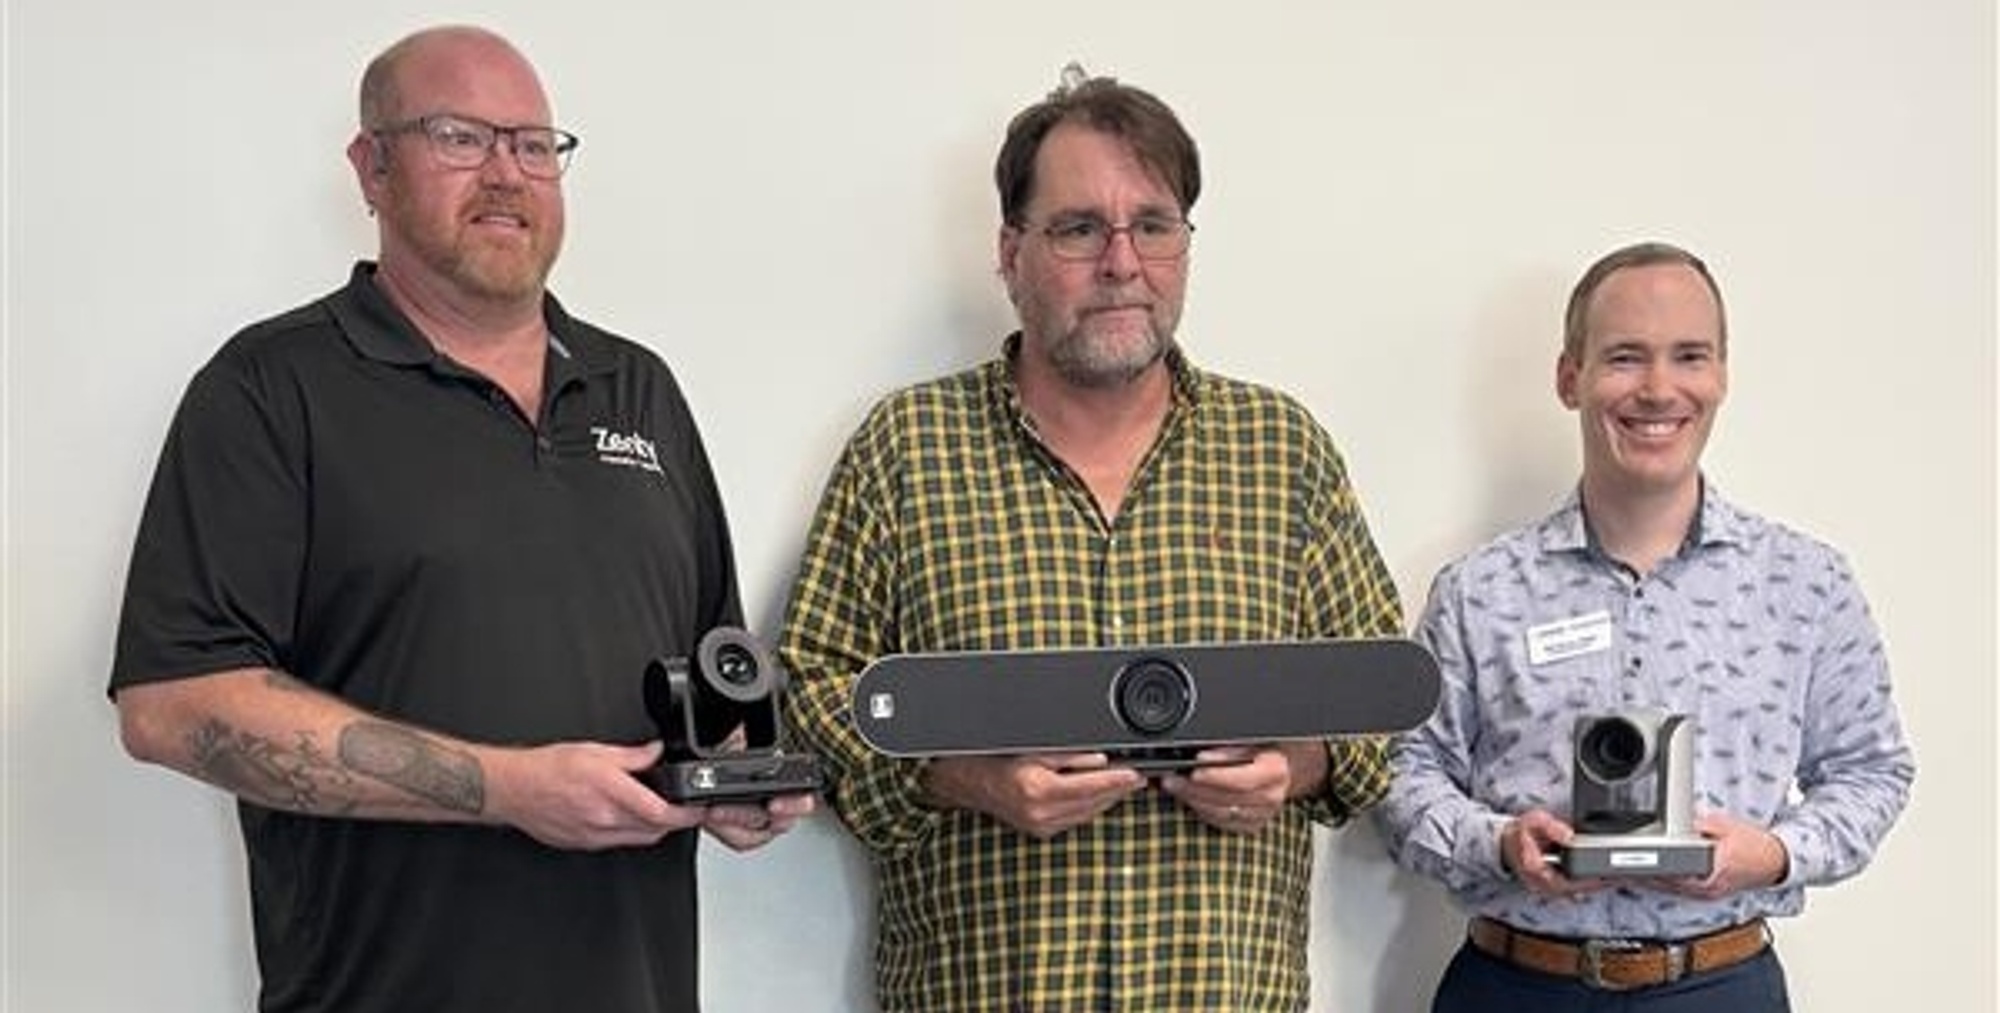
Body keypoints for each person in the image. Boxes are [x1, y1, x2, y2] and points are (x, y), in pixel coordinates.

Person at [109, 25, 811, 1013]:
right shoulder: (272, 389)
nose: (504, 174)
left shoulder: (637, 388)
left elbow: (708, 681)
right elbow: (172, 705)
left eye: (533, 145)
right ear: (372, 166)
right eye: (457, 137)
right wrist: (505, 786)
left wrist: (734, 777)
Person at [778, 67, 1406, 1012]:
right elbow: (815, 695)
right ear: (1010, 251)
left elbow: (1378, 698)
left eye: (1153, 225)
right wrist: (965, 780)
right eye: (1079, 228)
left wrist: (1295, 768)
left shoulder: (1285, 452)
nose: (1122, 262)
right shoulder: (904, 451)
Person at [1375, 241, 1915, 1011]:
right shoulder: (1479, 589)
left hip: (1722, 986)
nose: (1660, 388)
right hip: (1515, 988)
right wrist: (1499, 843)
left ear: (1722, 374)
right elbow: (1402, 773)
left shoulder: (1807, 584)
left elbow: (1873, 770)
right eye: (1625, 357)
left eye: (1689, 356)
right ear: (1572, 378)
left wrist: (1773, 853)